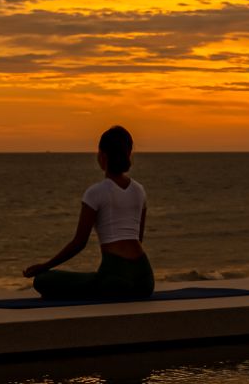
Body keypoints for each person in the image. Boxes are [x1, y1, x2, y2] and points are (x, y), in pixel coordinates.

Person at [23, 126, 154, 300]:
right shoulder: (140, 191)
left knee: (43, 280)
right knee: (95, 279)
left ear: (103, 156)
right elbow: (138, 238)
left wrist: (45, 266)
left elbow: (79, 242)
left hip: (115, 279)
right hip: (144, 279)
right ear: (128, 154)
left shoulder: (96, 192)